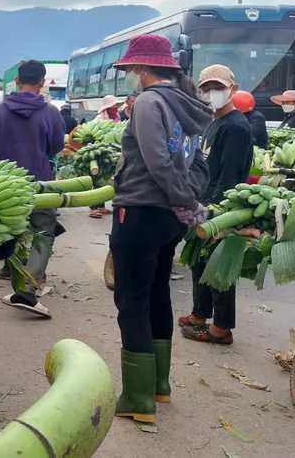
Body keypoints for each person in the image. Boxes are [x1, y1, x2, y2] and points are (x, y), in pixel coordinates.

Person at [107, 34, 212, 425]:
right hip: (167, 218)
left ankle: (137, 399)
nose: (131, 76)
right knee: (155, 294)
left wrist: (184, 200)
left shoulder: (150, 102)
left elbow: (156, 163)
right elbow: (198, 163)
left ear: (143, 69)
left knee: (131, 301)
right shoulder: (186, 105)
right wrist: (187, 201)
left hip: (140, 212)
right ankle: (158, 386)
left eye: (132, 70)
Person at [178, 65, 253, 347]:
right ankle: (200, 315)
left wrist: (218, 217)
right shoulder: (213, 121)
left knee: (220, 268)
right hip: (204, 204)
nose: (212, 93)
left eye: (219, 88)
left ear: (233, 89)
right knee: (200, 262)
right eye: (207, 88)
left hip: (220, 209)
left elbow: (230, 176)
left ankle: (221, 328)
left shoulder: (235, 126)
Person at [0, 60, 66, 317]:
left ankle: (18, 284)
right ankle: (28, 291)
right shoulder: (51, 112)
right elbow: (56, 147)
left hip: (6, 182)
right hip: (41, 182)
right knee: (44, 232)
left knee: (13, 230)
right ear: (42, 82)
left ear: (17, 80)